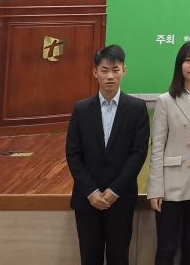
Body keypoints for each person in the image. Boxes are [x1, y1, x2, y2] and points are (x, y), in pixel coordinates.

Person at [66, 45, 151, 265]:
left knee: (119, 257)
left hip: (120, 199)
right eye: (104, 70)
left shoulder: (136, 108)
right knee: (89, 258)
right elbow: (73, 154)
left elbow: (138, 153)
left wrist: (114, 190)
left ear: (124, 71)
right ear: (95, 72)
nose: (110, 76)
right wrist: (91, 191)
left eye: (115, 70)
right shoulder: (81, 109)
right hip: (87, 199)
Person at [148, 41, 190, 265]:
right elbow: (157, 147)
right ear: (180, 66)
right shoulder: (166, 101)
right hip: (172, 184)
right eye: (187, 60)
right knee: (166, 247)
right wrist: (155, 188)